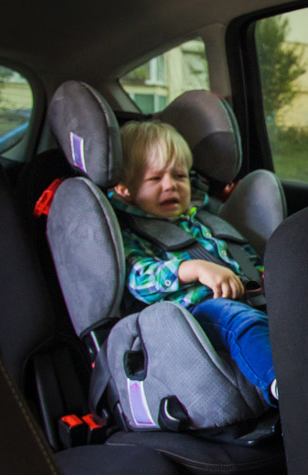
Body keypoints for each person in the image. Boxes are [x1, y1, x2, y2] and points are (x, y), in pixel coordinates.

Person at [109, 120, 277, 405]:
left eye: (179, 176)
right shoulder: (130, 233)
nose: (170, 186)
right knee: (240, 322)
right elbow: (138, 279)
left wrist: (267, 276)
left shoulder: (206, 222)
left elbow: (245, 259)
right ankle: (282, 385)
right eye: (155, 179)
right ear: (126, 189)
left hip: (245, 299)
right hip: (194, 316)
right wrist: (193, 269)